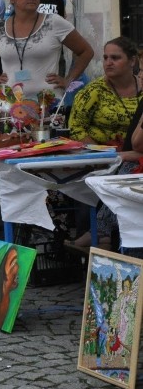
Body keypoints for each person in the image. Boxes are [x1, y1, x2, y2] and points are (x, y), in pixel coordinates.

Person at [67, 37, 142, 248]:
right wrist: (99, 152)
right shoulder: (94, 91)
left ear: (132, 61)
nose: (108, 62)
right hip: (98, 155)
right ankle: (101, 233)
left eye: (115, 58)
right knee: (108, 174)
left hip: (134, 153)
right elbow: (76, 127)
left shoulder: (142, 88)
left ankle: (103, 233)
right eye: (106, 57)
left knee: (126, 170)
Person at [0, 0, 93, 100]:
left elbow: (86, 51)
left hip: (48, 107)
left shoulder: (54, 22)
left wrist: (68, 80)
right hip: (11, 107)